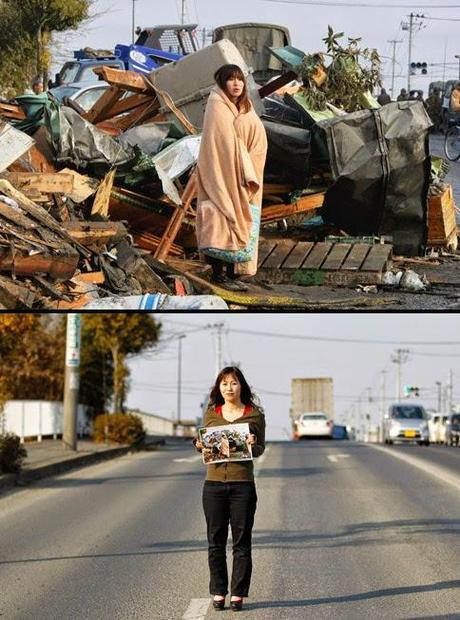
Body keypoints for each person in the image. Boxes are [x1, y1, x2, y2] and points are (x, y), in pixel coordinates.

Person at [193, 366, 266, 612]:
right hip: (213, 485)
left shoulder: (254, 415)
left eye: (233, 383)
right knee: (215, 541)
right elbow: (203, 444)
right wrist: (198, 444)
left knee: (241, 542)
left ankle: (238, 593)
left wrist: (253, 444)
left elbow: (259, 450)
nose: (229, 388)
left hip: (242, 485)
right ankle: (218, 591)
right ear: (219, 387)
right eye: (224, 384)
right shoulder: (212, 413)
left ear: (241, 386)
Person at [195, 64, 268, 292]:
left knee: (234, 222)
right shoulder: (217, 105)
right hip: (222, 173)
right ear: (221, 82)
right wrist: (242, 163)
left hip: (241, 173)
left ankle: (230, 272)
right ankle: (219, 274)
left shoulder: (242, 106)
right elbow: (225, 145)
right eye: (231, 79)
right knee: (222, 219)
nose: (236, 84)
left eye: (240, 80)